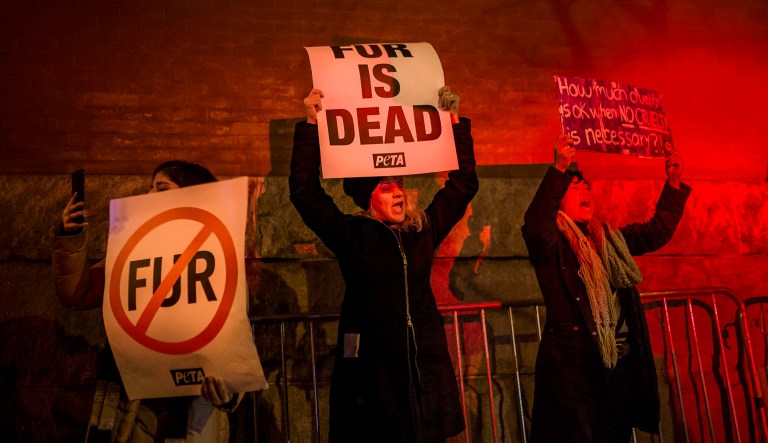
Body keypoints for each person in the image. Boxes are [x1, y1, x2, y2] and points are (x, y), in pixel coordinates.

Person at [289, 87, 478, 442]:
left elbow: (464, 184)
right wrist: (311, 125)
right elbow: (305, 192)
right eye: (387, 187)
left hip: (423, 365)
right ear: (369, 198)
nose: (399, 192)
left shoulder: (422, 230)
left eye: (400, 185)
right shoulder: (352, 234)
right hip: (374, 372)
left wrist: (454, 124)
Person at [52, 160, 241, 443]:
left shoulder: (217, 260)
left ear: (193, 196)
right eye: (150, 187)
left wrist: (231, 390)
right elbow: (77, 293)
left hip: (189, 411)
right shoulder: (131, 253)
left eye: (162, 188)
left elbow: (234, 337)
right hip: (129, 406)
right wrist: (70, 236)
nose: (149, 195)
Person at [521, 135, 691, 442]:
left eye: (587, 187)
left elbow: (656, 232)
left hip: (617, 366)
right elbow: (535, 222)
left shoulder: (609, 239)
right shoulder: (551, 245)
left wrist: (674, 182)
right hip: (576, 372)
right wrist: (560, 168)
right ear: (558, 201)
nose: (586, 190)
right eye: (576, 187)